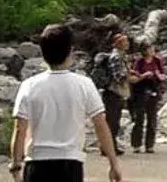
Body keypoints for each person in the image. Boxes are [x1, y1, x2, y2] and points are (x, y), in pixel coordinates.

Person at [11, 23, 124, 182]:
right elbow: (100, 125)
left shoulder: (29, 85)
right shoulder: (84, 84)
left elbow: (19, 128)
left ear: (43, 53)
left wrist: (16, 166)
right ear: (70, 51)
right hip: (70, 162)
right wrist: (113, 163)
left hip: (36, 164)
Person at [91, 32, 132, 153]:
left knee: (114, 122)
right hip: (112, 93)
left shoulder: (122, 56)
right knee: (111, 123)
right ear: (118, 44)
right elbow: (118, 77)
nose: (128, 44)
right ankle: (107, 148)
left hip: (116, 93)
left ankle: (110, 146)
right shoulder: (116, 57)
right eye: (125, 42)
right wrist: (129, 75)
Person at [127, 41, 166, 154]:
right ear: (145, 50)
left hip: (153, 89)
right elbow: (135, 75)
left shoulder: (157, 61)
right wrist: (144, 75)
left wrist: (158, 76)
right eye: (150, 49)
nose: (152, 51)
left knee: (152, 118)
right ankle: (136, 144)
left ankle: (150, 145)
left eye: (153, 48)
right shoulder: (139, 61)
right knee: (139, 118)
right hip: (141, 90)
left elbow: (163, 75)